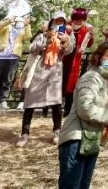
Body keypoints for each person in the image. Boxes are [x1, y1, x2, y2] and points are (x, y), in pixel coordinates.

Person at [56, 41, 108, 189]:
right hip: (77, 138)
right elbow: (85, 108)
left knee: (83, 185)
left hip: (91, 139)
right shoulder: (91, 77)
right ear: (99, 57)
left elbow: (102, 109)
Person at [19, 12, 76, 146]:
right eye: (57, 21)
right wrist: (45, 42)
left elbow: (69, 50)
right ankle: (24, 134)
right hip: (39, 71)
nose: (59, 24)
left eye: (62, 21)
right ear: (52, 22)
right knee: (30, 104)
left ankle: (57, 132)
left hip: (55, 72)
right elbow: (31, 48)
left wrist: (65, 43)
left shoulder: (67, 34)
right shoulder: (44, 34)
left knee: (56, 104)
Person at [0, 13, 31, 111]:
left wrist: (27, 25)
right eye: (17, 21)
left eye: (20, 21)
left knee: (7, 80)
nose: (19, 23)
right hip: (1, 56)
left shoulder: (22, 31)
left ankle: (3, 102)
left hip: (13, 57)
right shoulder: (7, 28)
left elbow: (28, 37)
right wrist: (8, 21)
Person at [63, 9, 95, 115]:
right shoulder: (66, 27)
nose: (78, 22)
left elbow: (89, 45)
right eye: (76, 19)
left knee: (71, 86)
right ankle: (50, 107)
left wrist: (92, 35)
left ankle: (67, 110)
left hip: (75, 60)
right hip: (63, 58)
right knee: (58, 82)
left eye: (81, 20)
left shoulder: (86, 30)